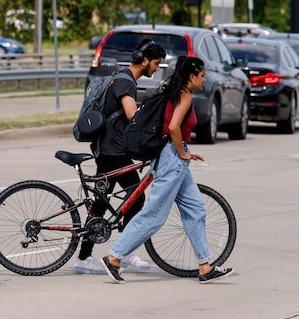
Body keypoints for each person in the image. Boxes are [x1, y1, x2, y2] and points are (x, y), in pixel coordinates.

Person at [100, 56, 234, 284]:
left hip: (173, 160)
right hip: (172, 159)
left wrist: (182, 154)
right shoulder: (184, 96)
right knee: (154, 215)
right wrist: (183, 152)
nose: (205, 79)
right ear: (192, 77)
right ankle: (114, 257)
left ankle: (205, 266)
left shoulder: (173, 94)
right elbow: (173, 127)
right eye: (202, 75)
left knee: (195, 210)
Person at [73, 37, 167, 274]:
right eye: (155, 63)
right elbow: (132, 115)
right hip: (111, 152)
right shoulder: (126, 83)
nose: (156, 68)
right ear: (143, 60)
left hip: (112, 150)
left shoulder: (121, 77)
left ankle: (111, 254)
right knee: (120, 201)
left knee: (114, 202)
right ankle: (103, 255)